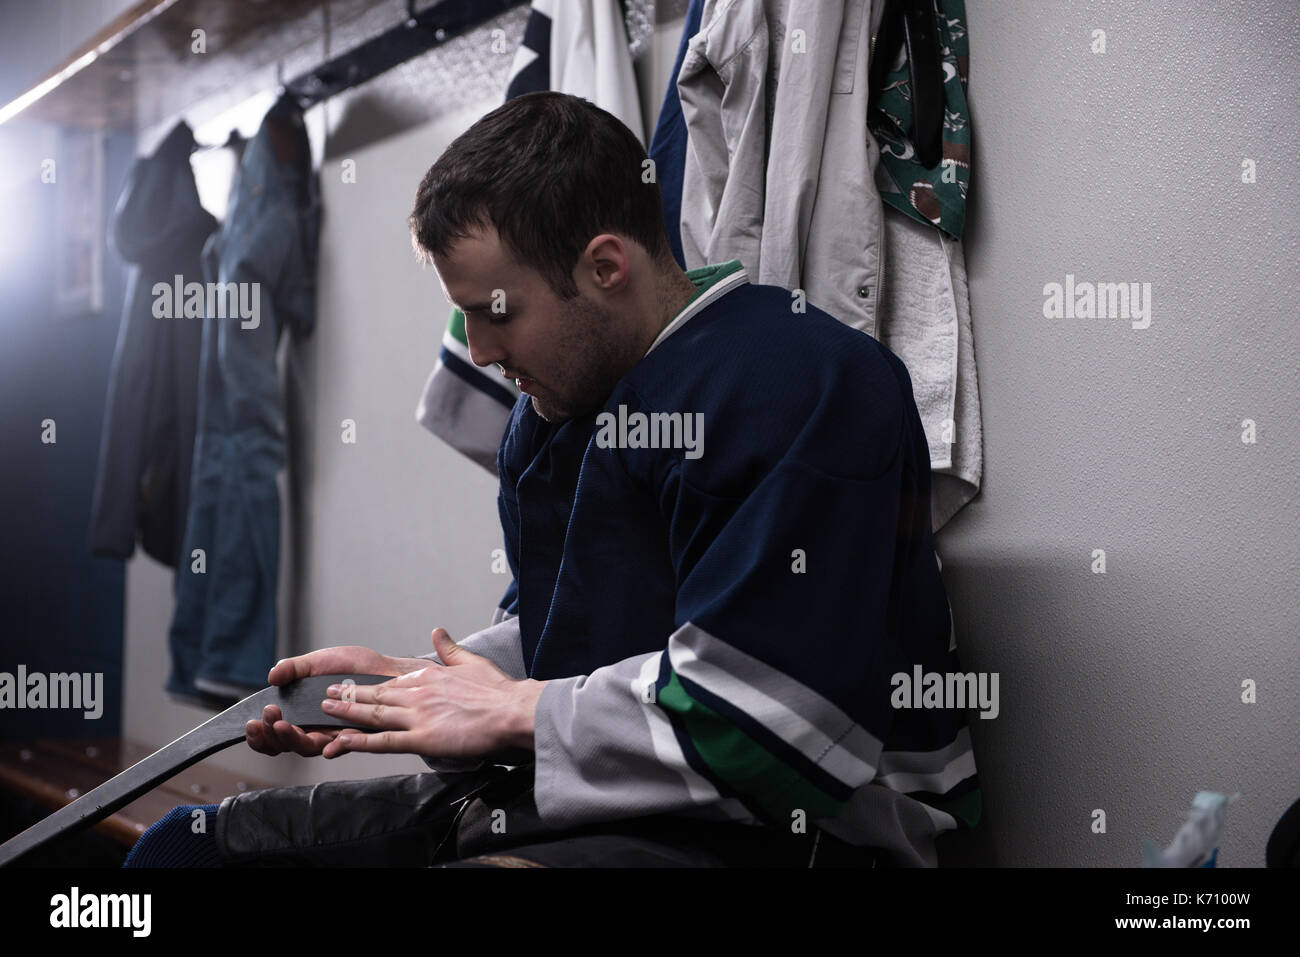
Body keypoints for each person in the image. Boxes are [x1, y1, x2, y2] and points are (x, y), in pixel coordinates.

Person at [124, 90, 979, 869]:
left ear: (605, 266)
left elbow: (770, 735)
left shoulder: (804, 388)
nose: (484, 355)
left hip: (807, 835)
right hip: (601, 804)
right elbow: (568, 638)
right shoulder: (559, 411)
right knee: (182, 856)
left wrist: (510, 712)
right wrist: (402, 688)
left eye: (497, 314)